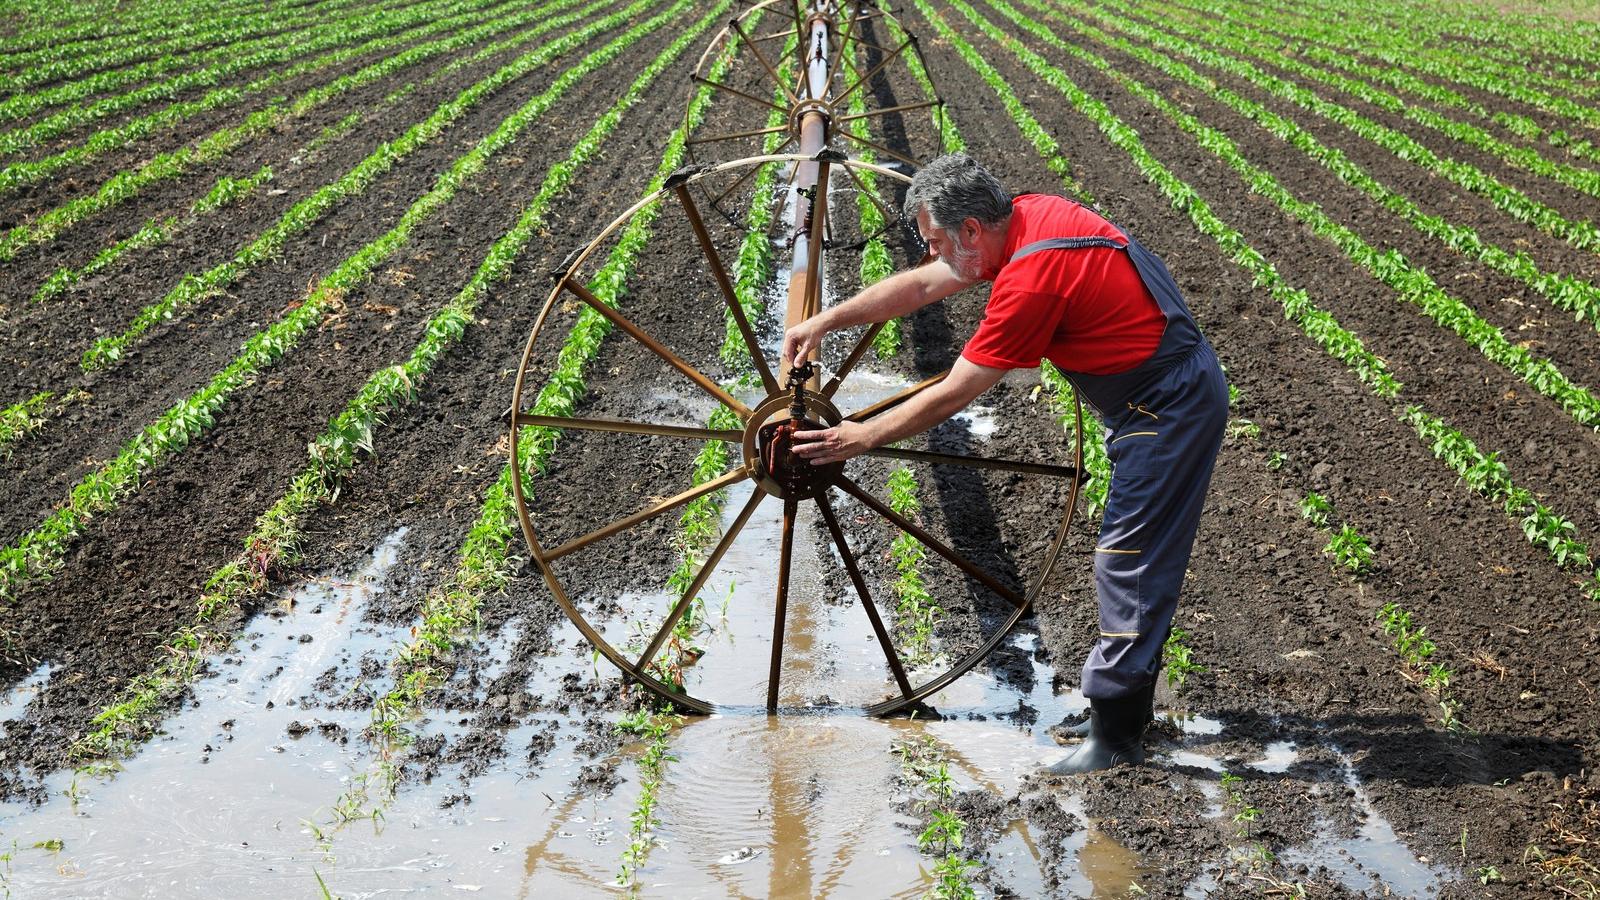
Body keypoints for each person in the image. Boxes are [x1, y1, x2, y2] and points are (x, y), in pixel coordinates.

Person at [782, 154, 1227, 774]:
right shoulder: (1025, 217)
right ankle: (1124, 709)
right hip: (1153, 393)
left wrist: (863, 436)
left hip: (1167, 406)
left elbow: (957, 390)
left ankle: (1117, 737)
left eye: (937, 240)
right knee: (1133, 552)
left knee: (1129, 558)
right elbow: (922, 285)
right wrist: (828, 319)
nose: (935, 256)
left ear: (970, 230)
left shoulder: (1033, 276)